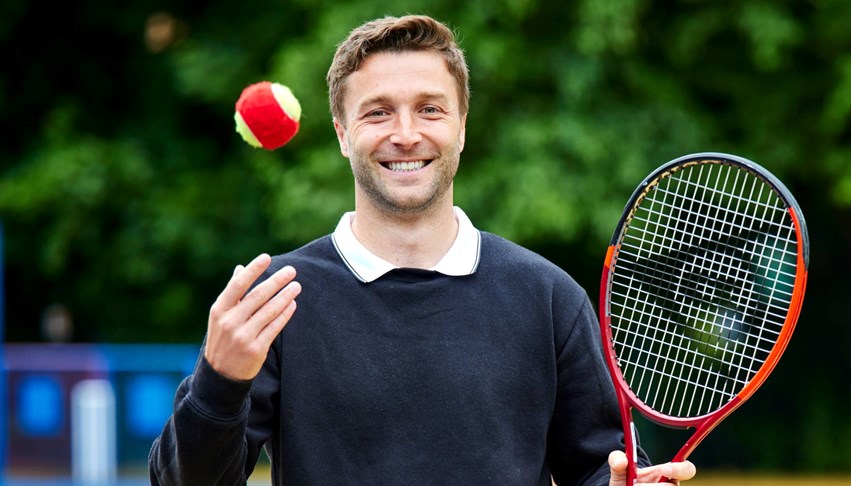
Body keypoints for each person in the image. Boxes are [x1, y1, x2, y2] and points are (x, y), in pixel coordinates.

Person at [149, 14, 696, 486]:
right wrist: (219, 381)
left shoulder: (548, 298)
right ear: (342, 133)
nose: (406, 134)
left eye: (430, 109)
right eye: (377, 111)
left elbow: (600, 471)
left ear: (462, 127)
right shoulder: (278, 300)